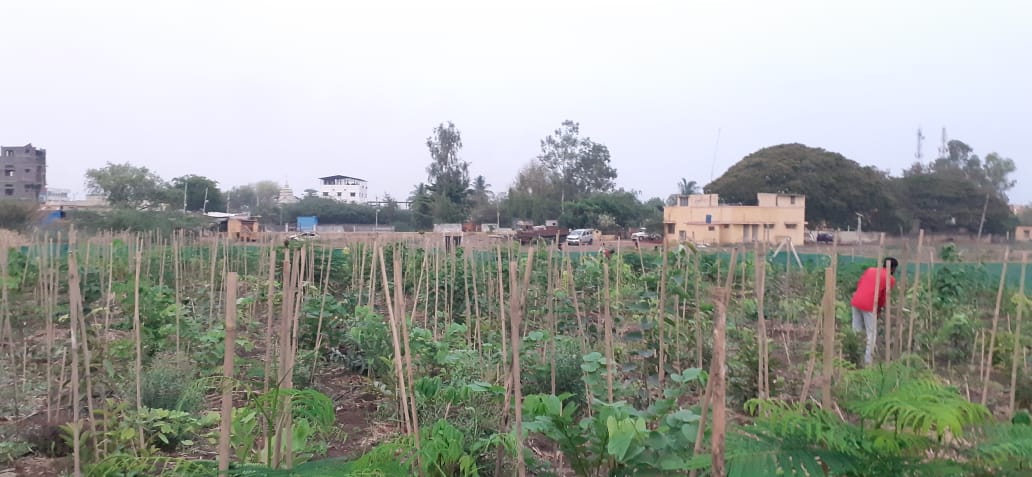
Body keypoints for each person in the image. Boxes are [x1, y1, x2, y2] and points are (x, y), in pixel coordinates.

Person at [850, 257, 899, 366]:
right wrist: (879, 309)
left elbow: (859, 284)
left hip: (856, 301)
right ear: (893, 268)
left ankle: (853, 355)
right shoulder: (890, 279)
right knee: (871, 334)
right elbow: (883, 297)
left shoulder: (870, 270)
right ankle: (868, 361)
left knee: (856, 330)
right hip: (869, 305)